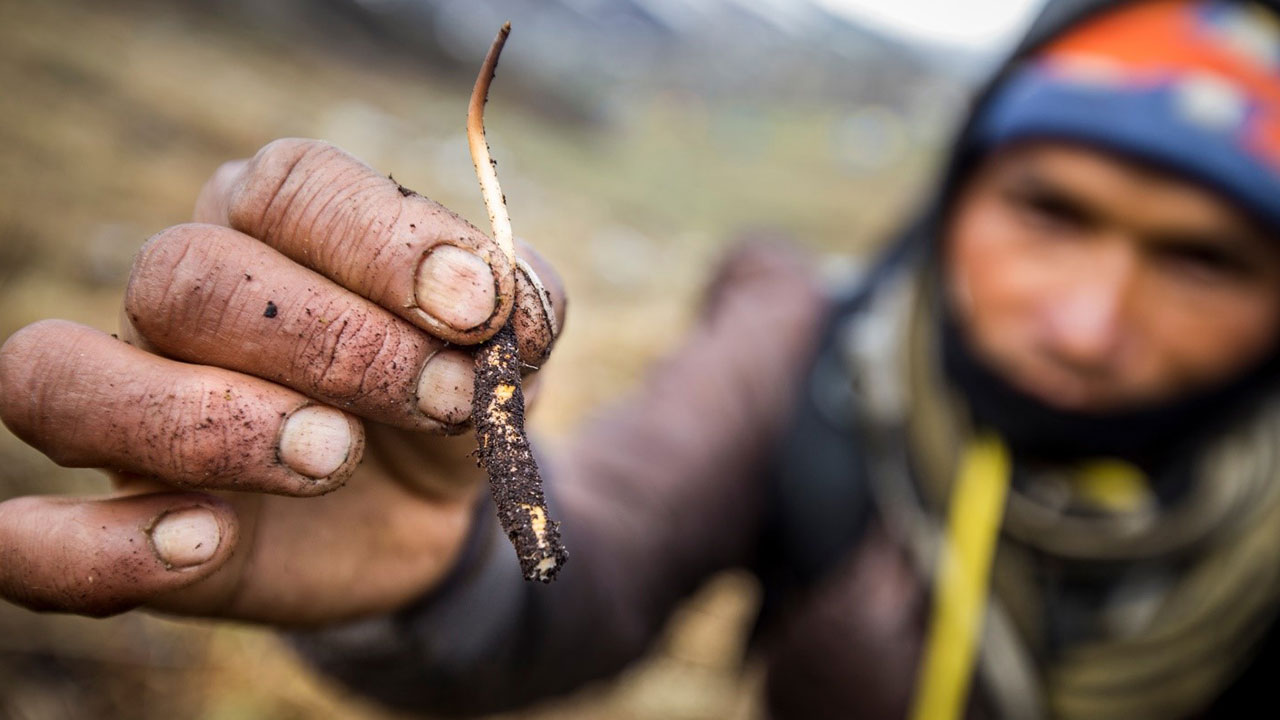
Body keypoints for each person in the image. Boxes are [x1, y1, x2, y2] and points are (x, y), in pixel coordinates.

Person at [3, 0, 1280, 717]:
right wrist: (433, 575)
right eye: (1048, 213)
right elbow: (596, 549)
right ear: (953, 203)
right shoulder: (805, 353)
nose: (1086, 323)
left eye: (1203, 258)